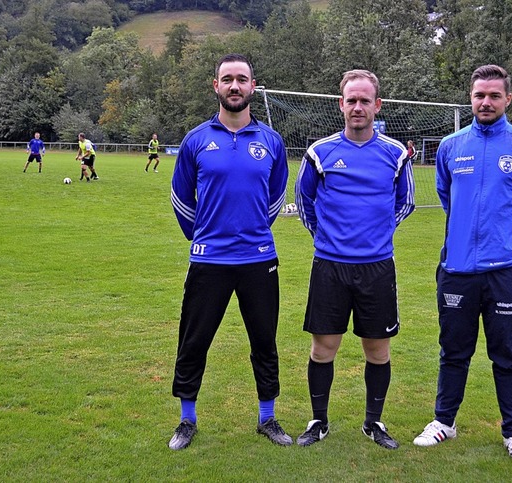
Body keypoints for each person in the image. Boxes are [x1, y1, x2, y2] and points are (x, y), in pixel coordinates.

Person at [413, 65, 512, 465]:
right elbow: (446, 196)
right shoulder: (452, 146)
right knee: (453, 351)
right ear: (470, 98)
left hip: (505, 269)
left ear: (508, 99)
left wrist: (505, 239)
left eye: (493, 95)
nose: (485, 102)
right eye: (478, 95)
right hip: (456, 269)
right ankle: (444, 422)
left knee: (507, 353)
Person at [168, 53, 290, 451]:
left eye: (242, 79)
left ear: (253, 86)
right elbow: (181, 197)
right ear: (215, 86)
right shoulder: (196, 140)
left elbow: (275, 199)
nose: (234, 86)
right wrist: (203, 235)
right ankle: (187, 420)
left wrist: (252, 231)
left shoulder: (271, 141)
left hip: (258, 259)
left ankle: (267, 418)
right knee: (194, 340)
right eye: (227, 79)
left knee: (264, 341)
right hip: (208, 260)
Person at [295, 69, 415, 449]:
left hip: (378, 267)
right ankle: (319, 421)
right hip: (329, 266)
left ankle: (373, 423)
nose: (358, 107)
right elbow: (304, 201)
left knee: (377, 350)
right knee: (323, 348)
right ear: (341, 105)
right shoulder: (320, 152)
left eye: (365, 101)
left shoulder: (395, 153)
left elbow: (405, 202)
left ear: (377, 106)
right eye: (352, 100)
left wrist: (376, 233)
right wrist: (327, 237)